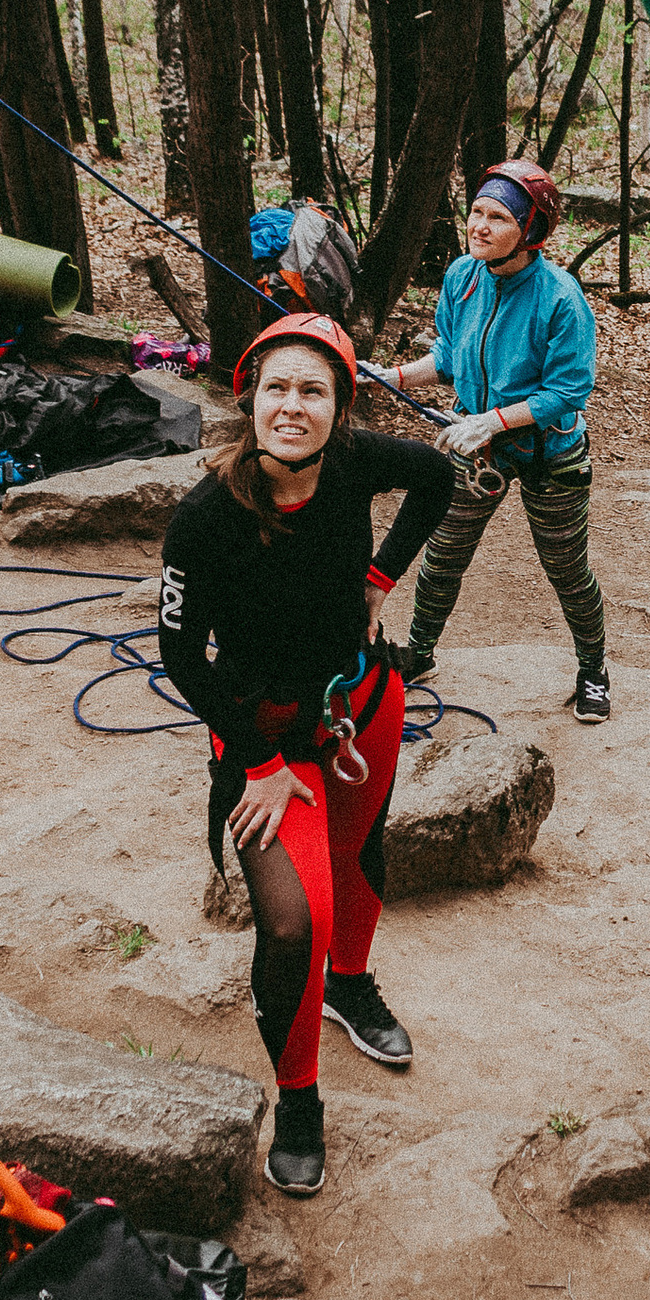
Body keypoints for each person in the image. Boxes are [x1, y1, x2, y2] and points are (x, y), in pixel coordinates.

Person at [156, 318, 455, 1194]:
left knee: (364, 856)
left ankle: (351, 987)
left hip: (361, 706)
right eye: (277, 388)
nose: (293, 406)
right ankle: (298, 1097)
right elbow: (179, 655)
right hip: (265, 736)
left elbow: (440, 476)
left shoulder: (358, 462)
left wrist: (382, 578)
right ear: (249, 398)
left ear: (340, 406)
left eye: (313, 391)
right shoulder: (209, 515)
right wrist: (254, 763)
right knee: (292, 925)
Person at [373, 162, 610, 724]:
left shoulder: (560, 298)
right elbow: (452, 358)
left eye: (497, 217)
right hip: (480, 451)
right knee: (442, 555)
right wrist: (394, 376)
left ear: (530, 229)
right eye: (476, 211)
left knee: (566, 569)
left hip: (550, 456)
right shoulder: (463, 277)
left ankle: (594, 670)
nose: (479, 225)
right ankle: (421, 652)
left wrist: (493, 421)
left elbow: (569, 391)